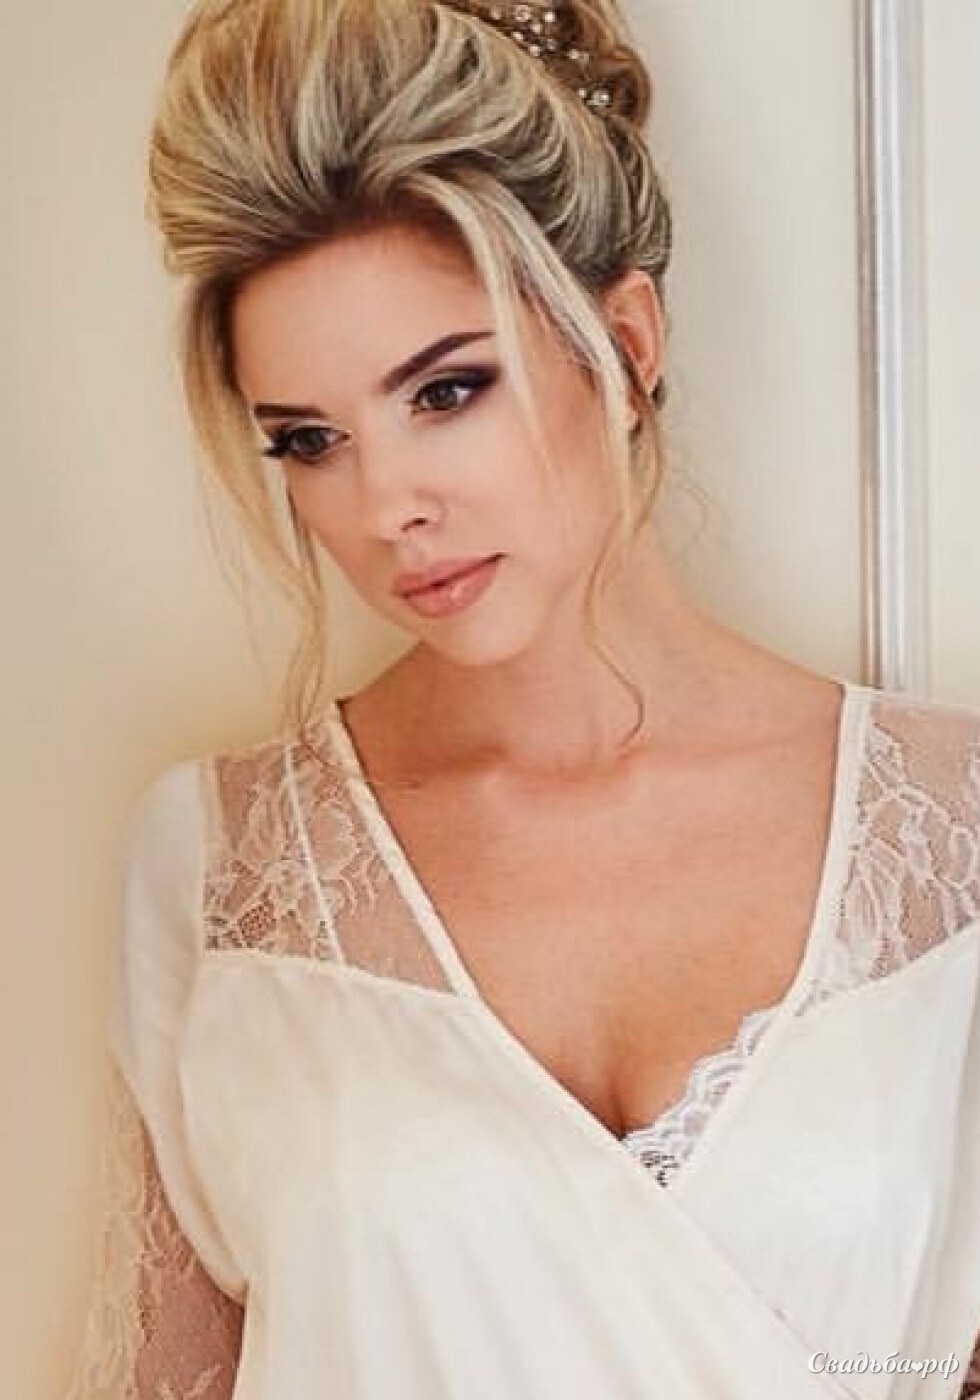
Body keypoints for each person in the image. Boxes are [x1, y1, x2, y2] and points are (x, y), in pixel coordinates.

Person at [65, 1, 980, 1397]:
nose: (385, 504)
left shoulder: (954, 831)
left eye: (446, 392)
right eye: (310, 441)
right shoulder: (217, 870)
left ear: (627, 343)